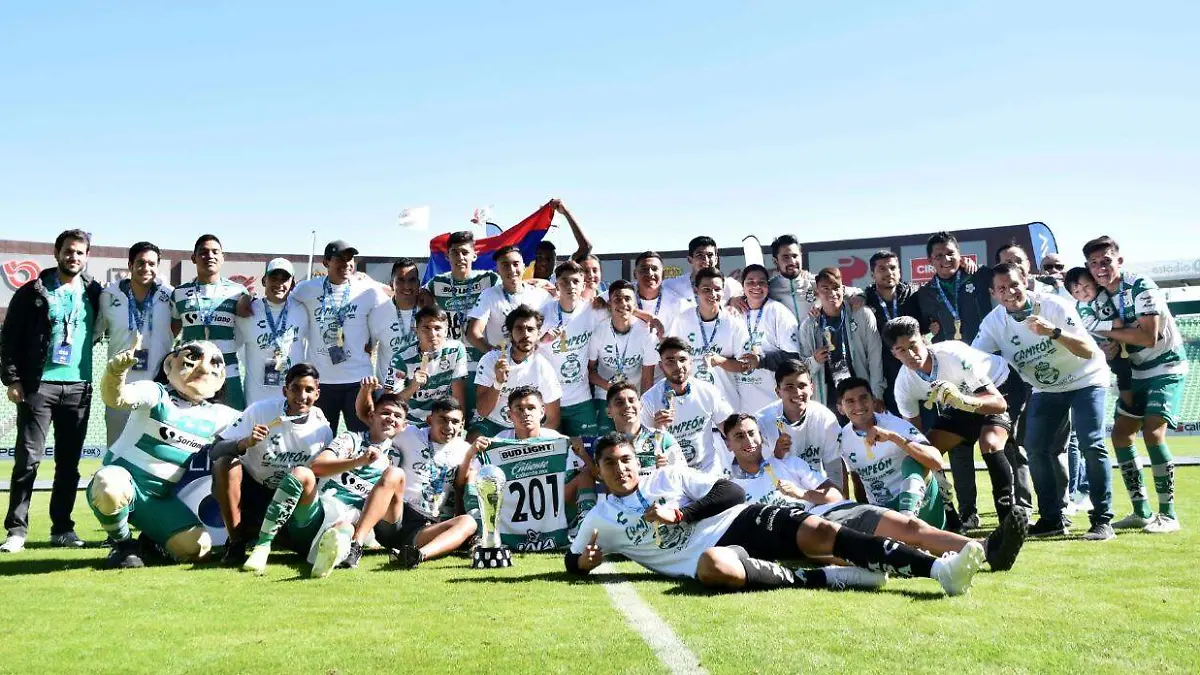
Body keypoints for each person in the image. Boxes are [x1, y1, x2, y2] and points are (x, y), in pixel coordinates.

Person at [566, 432, 985, 596]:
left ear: (635, 462)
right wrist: (582, 563)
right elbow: (572, 558)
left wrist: (682, 514)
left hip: (740, 519)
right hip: (707, 555)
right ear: (598, 470)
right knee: (713, 568)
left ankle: (938, 572)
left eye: (626, 460)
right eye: (610, 464)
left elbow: (729, 489)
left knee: (822, 532)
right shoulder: (599, 518)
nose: (621, 469)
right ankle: (831, 576)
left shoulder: (668, 475)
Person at [722, 413, 1024, 571]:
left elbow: (833, 496)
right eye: (739, 436)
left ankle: (987, 549)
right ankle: (946, 564)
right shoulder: (730, 486)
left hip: (830, 512)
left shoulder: (790, 464)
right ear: (728, 445)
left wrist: (804, 496)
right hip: (797, 535)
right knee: (881, 552)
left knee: (907, 525)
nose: (748, 440)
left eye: (752, 433)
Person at [973, 263, 1114, 540]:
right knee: (1035, 447)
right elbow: (974, 359)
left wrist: (1054, 332)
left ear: (1024, 280)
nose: (1010, 292)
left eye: (1014, 284)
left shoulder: (1053, 306)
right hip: (1046, 388)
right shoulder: (993, 323)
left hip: (1087, 378)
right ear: (993, 293)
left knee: (1091, 442)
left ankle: (1102, 519)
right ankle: (1052, 518)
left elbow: (1088, 351)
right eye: (1001, 288)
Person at [88, 341, 241, 567]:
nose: (203, 368)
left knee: (199, 549)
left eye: (213, 364)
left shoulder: (220, 415)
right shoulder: (155, 393)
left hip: (158, 499)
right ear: (169, 364)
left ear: (221, 379)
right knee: (109, 484)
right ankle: (123, 545)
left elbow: (259, 422)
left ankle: (151, 543)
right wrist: (116, 371)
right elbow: (116, 398)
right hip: (125, 483)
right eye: (192, 361)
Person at [1, 229, 102, 553]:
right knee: (28, 460)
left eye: (80, 253)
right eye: (69, 251)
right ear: (57, 253)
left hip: (78, 389)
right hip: (38, 387)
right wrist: (13, 379)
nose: (74, 257)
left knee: (69, 464)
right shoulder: (33, 291)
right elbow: (9, 337)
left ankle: (62, 529)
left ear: (87, 257)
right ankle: (17, 531)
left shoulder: (95, 292)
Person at [242, 392, 409, 577]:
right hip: (317, 515)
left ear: (403, 426)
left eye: (397, 416)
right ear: (372, 416)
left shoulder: (397, 456)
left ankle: (327, 562)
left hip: (350, 523)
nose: (391, 418)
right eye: (385, 412)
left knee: (343, 528)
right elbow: (317, 467)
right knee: (302, 473)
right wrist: (357, 461)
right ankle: (263, 546)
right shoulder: (351, 439)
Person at [1084, 236, 1188, 533]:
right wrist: (1106, 345)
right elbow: (1106, 340)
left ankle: (1168, 515)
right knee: (1120, 435)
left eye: (1105, 261)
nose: (1100, 268)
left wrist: (1109, 334)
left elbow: (1148, 337)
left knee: (1153, 433)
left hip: (1167, 366)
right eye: (1093, 264)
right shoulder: (1097, 297)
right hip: (1135, 372)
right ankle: (1141, 510)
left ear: (1119, 260)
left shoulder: (1140, 285)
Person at [884, 316, 1027, 525]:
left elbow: (998, 404)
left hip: (1001, 386)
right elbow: (916, 440)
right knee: (923, 453)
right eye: (902, 350)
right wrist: (930, 463)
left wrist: (962, 400)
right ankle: (949, 517)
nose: (911, 354)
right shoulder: (903, 385)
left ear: (924, 340)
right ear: (894, 354)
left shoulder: (953, 354)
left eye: (913, 345)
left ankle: (1008, 521)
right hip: (961, 400)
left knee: (990, 443)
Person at [208, 363, 333, 565]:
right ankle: (236, 542)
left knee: (303, 549)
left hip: (287, 499)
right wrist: (245, 442)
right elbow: (215, 450)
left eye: (309, 390)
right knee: (226, 463)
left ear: (317, 394)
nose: (302, 396)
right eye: (296, 388)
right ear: (285, 390)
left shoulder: (323, 428)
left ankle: (262, 532)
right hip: (252, 490)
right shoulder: (260, 410)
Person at [290, 240, 387, 433]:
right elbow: (282, 304)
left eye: (350, 259)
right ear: (326, 262)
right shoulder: (306, 289)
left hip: (359, 380)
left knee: (362, 438)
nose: (346, 264)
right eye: (340, 259)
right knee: (319, 440)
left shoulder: (367, 289)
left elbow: (394, 300)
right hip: (321, 381)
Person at [373, 398, 480, 568]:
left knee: (468, 522)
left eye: (455, 422)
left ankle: (416, 556)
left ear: (462, 425)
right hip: (396, 514)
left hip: (422, 528)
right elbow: (370, 418)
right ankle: (356, 543)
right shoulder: (409, 433)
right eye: (443, 419)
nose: (449, 427)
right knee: (394, 474)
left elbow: (461, 486)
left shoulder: (464, 450)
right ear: (429, 420)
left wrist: (469, 457)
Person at [834, 378, 948, 528]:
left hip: (921, 506)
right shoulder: (842, 439)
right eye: (850, 401)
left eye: (863, 398)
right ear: (840, 408)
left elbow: (937, 462)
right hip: (885, 512)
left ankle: (908, 519)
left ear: (873, 401)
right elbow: (857, 481)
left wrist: (893, 438)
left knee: (912, 460)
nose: (859, 405)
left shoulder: (894, 425)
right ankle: (903, 529)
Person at [95, 242, 175, 449]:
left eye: (151, 263)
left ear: (158, 267)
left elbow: (180, 325)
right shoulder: (109, 295)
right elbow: (93, 333)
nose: (146, 268)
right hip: (120, 387)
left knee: (154, 453)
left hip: (158, 389)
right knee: (117, 449)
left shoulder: (169, 295)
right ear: (130, 265)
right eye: (140, 263)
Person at [421, 230, 501, 416]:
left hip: (482, 363)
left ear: (474, 255)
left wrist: (538, 283)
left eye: (465, 252)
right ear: (447, 256)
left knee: (483, 419)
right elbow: (410, 294)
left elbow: (514, 285)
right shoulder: (436, 283)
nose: (460, 257)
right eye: (455, 252)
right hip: (451, 367)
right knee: (454, 420)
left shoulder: (489, 279)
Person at [170, 234, 249, 410]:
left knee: (233, 428)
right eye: (204, 252)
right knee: (191, 432)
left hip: (227, 373)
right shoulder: (179, 293)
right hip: (191, 374)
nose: (210, 256)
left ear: (223, 257)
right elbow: (172, 332)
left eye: (215, 252)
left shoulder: (238, 292)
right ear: (193, 258)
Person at [639, 338, 734, 475]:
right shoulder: (649, 400)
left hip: (708, 472)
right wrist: (658, 430)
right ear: (661, 366)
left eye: (682, 359)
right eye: (670, 361)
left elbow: (729, 428)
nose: (678, 366)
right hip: (672, 476)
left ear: (690, 361)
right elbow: (643, 449)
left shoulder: (708, 391)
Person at [798, 268, 885, 416]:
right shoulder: (809, 325)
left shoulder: (861, 314)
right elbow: (802, 369)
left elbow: (875, 356)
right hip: (829, 397)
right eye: (825, 289)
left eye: (836, 287)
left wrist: (877, 394)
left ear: (843, 289)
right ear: (817, 293)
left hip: (861, 393)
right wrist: (815, 360)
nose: (832, 293)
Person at [669, 268, 756, 411]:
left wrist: (722, 361)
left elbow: (745, 365)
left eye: (717, 289)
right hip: (692, 405)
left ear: (723, 291)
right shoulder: (682, 320)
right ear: (696, 290)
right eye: (706, 289)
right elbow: (672, 360)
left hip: (726, 405)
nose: (712, 294)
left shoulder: (734, 323)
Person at [471, 305, 562, 438]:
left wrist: (533, 441)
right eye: (519, 328)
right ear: (510, 333)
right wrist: (498, 382)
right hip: (493, 423)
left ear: (538, 333)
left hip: (528, 430)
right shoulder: (491, 360)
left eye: (530, 329)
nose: (525, 334)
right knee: (473, 440)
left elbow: (553, 419)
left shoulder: (544, 366)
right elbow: (483, 411)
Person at [538, 261, 603, 444]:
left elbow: (623, 310)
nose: (570, 286)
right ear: (557, 285)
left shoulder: (592, 310)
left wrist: (650, 318)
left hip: (581, 399)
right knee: (552, 454)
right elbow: (523, 348)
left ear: (584, 285)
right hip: (549, 399)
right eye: (564, 281)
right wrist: (541, 340)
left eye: (575, 281)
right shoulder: (542, 314)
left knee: (589, 451)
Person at [754, 360, 843, 488]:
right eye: (789, 387)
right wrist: (776, 455)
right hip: (781, 494)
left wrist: (837, 500)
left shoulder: (825, 418)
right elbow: (757, 474)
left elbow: (834, 468)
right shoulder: (762, 422)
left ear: (812, 388)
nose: (797, 392)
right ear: (778, 392)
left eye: (802, 385)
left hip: (816, 489)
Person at [235, 258, 309, 407]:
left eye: (285, 279)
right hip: (256, 400)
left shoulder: (303, 310)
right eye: (274, 278)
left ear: (292, 284)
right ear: (264, 281)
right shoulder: (247, 311)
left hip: (292, 399)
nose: (279, 284)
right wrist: (241, 295)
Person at [588, 279, 660, 433]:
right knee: (606, 443)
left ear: (634, 305)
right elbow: (590, 372)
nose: (622, 304)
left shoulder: (646, 333)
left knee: (634, 441)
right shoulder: (600, 330)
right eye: (617, 299)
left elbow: (648, 378)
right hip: (605, 395)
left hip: (634, 397)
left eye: (627, 299)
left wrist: (644, 407)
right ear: (610, 304)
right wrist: (608, 386)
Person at [733, 264, 801, 414]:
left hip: (773, 405)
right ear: (742, 286)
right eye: (750, 282)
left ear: (768, 286)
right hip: (741, 408)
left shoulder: (778, 312)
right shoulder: (733, 313)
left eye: (762, 282)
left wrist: (761, 360)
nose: (756, 286)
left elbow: (793, 358)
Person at [386, 306, 468, 425]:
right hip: (410, 421)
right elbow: (388, 403)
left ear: (446, 331)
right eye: (426, 328)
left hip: (442, 420)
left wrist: (460, 424)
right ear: (416, 331)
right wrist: (412, 387)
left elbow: (458, 393)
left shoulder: (456, 349)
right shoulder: (401, 358)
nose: (432, 334)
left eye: (437, 328)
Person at [467, 245, 552, 357]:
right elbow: (473, 333)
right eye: (505, 265)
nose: (512, 270)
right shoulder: (489, 295)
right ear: (497, 270)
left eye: (516, 264)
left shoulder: (541, 294)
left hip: (532, 362)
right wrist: (493, 354)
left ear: (524, 267)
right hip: (503, 364)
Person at [862, 250, 919, 415]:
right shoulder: (865, 300)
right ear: (872, 274)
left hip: (915, 369)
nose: (888, 273)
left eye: (893, 268)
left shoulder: (913, 296)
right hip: (886, 375)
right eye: (882, 269)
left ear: (900, 271)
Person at [603, 381, 687, 475]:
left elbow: (684, 473)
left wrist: (670, 469)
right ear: (608, 412)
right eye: (619, 402)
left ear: (641, 405)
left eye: (632, 400)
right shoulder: (605, 446)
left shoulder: (663, 438)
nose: (627, 405)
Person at [368, 258, 421, 391]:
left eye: (412, 280)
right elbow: (367, 351)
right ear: (392, 283)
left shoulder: (427, 310)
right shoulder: (377, 313)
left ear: (419, 283)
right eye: (401, 280)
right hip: (389, 392)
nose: (407, 286)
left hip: (423, 393)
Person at [662, 236, 744, 306]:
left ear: (716, 259)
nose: (706, 260)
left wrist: (733, 302)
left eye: (710, 255)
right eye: (700, 255)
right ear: (690, 259)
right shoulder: (671, 285)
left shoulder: (731, 286)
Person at [631, 250, 690, 341]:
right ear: (635, 274)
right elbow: (604, 301)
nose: (650, 273)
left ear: (663, 274)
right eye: (644, 269)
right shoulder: (624, 293)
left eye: (654, 269)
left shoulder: (678, 303)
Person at [532, 200, 592, 280]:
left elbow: (586, 247)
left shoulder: (559, 280)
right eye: (540, 257)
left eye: (549, 259)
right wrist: (538, 219)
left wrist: (566, 212)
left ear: (555, 262)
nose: (544, 262)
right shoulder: (521, 281)